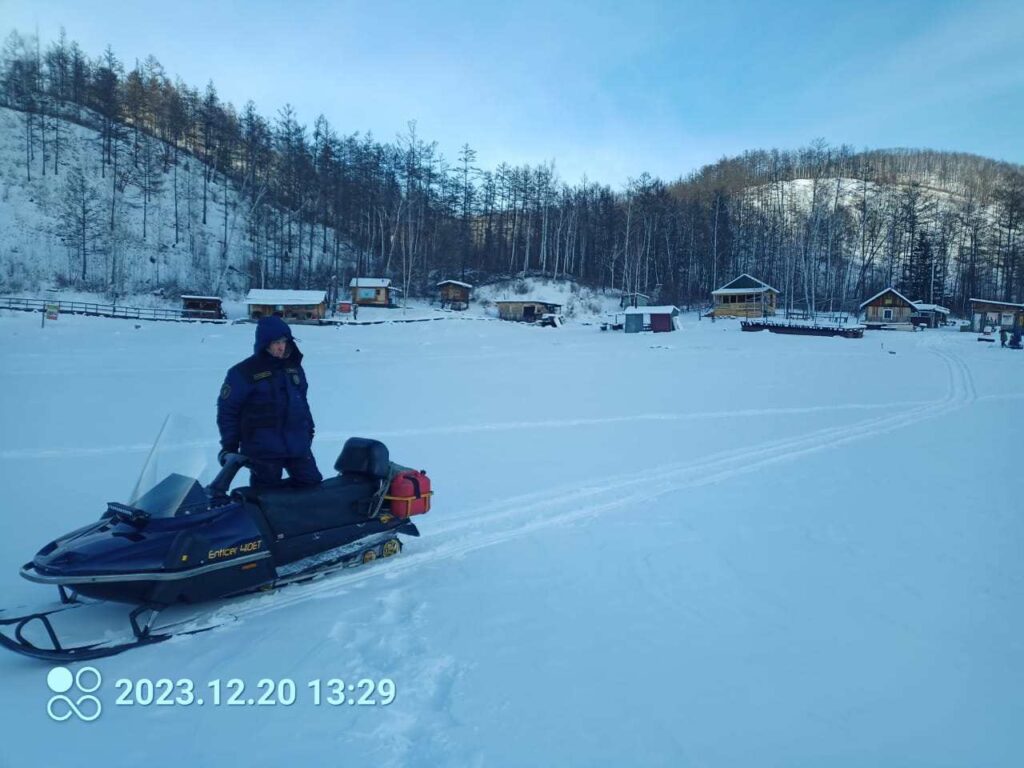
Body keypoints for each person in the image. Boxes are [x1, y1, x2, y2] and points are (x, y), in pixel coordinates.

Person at [217, 315, 323, 489]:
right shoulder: (243, 372)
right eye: (276, 343)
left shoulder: (293, 368)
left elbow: (302, 402)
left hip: (297, 445)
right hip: (263, 450)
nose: (281, 347)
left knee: (312, 487)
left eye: (284, 341)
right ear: (265, 344)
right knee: (265, 499)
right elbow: (227, 411)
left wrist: (308, 430)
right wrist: (230, 445)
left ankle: (293, 515)